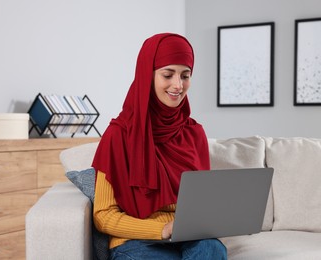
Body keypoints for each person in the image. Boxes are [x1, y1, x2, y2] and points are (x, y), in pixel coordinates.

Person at [92, 32, 227, 260]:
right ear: (148, 75)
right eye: (168, 75)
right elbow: (103, 216)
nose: (178, 85)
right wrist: (161, 230)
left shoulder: (194, 133)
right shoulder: (118, 134)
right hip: (136, 242)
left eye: (185, 75)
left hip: (190, 237)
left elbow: (200, 205)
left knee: (212, 249)